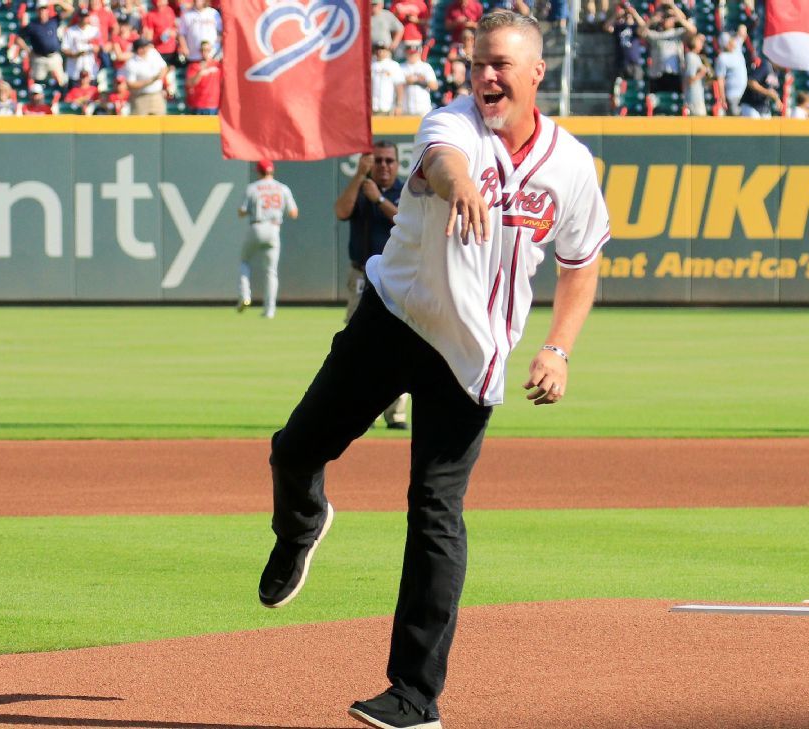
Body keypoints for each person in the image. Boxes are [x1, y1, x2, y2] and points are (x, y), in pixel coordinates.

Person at [257, 11, 609, 729]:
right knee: (294, 449)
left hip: (472, 353)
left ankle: (414, 696)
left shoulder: (571, 165)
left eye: (502, 64)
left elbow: (582, 264)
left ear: (536, 74)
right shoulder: (450, 124)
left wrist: (558, 348)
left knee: (435, 511)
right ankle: (301, 523)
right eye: (478, 62)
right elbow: (446, 162)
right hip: (395, 318)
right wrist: (461, 187)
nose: (486, 75)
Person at [334, 142, 411, 430]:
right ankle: (365, 411)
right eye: (377, 161)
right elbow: (341, 211)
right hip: (360, 275)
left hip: (398, 277)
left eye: (389, 161)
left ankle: (396, 412)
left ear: (397, 163)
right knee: (358, 344)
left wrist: (378, 200)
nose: (383, 166)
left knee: (400, 343)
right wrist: (358, 177)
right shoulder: (361, 188)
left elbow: (405, 222)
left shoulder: (407, 191)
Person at [236, 160, 298, 319]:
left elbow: (241, 212)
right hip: (273, 228)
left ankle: (245, 295)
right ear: (272, 171)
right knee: (271, 271)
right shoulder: (282, 188)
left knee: (244, 261)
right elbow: (293, 213)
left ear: (258, 171)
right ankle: (270, 310)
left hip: (256, 226)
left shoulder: (252, 188)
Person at [644, 2, 697, 94]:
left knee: (675, 101)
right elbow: (641, 32)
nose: (666, 20)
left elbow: (692, 30)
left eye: (668, 18)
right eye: (665, 18)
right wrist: (651, 21)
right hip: (657, 74)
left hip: (674, 74)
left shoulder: (678, 33)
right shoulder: (655, 34)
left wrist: (677, 15)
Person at [122, 37, 169, 115]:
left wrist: (161, 75)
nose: (149, 47)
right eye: (146, 46)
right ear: (140, 49)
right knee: (140, 126)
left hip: (157, 95)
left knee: (159, 124)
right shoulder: (131, 63)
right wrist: (151, 80)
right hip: (140, 98)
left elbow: (164, 67)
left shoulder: (153, 53)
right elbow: (131, 84)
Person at [400, 40, 439, 116]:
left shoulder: (425, 67)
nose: (412, 55)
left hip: (423, 109)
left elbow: (434, 86)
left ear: (419, 53)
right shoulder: (401, 67)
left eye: (414, 53)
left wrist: (417, 80)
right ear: (406, 53)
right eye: (410, 53)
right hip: (406, 109)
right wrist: (407, 80)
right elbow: (396, 84)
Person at [714, 31, 748, 115]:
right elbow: (720, 79)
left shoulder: (737, 49)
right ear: (726, 44)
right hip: (732, 96)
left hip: (744, 95)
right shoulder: (722, 57)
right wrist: (723, 98)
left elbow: (742, 30)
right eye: (730, 40)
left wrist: (739, 31)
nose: (733, 42)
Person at [184, 40, 221, 115]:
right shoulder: (193, 66)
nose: (205, 52)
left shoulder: (218, 65)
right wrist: (200, 73)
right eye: (203, 50)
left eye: (207, 50)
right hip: (198, 104)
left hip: (214, 105)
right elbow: (190, 83)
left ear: (211, 50)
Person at [371, 41, 406, 115]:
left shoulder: (393, 65)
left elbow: (399, 86)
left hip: (388, 107)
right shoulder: (370, 64)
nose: (380, 51)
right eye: (377, 49)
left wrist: (399, 105)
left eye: (383, 49)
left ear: (388, 50)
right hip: (372, 107)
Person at [683, 33, 708, 116]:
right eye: (699, 41)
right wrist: (701, 73)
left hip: (698, 96)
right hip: (693, 98)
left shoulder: (696, 57)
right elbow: (689, 80)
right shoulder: (691, 56)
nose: (701, 44)